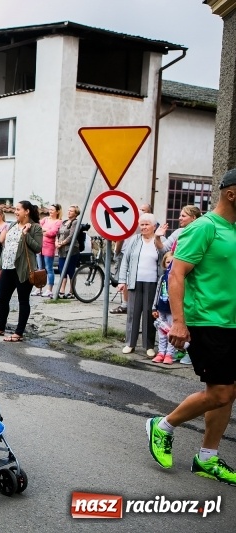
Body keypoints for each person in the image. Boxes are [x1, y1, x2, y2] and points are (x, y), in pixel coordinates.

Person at [146, 168, 236, 485]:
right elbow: (177, 274)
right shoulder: (204, 227)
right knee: (221, 391)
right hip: (206, 321)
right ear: (231, 194)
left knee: (227, 392)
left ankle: (207, 458)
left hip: (230, 322)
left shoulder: (232, 230)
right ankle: (163, 426)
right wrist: (179, 322)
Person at [0, 200, 43, 342]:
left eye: (18, 209)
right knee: (3, 299)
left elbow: (38, 248)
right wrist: (0, 267)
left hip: (23, 269)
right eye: (15, 209)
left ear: (26, 211)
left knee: (23, 300)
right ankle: (0, 328)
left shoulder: (35, 227)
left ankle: (19, 333)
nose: (15, 212)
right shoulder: (13, 225)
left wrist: (26, 234)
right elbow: (6, 248)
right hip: (7, 267)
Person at [117, 213, 163, 356]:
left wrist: (159, 238)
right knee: (133, 313)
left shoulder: (160, 240)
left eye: (146, 224)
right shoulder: (134, 240)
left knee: (150, 314)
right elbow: (125, 260)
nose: (143, 227)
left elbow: (166, 255)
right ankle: (130, 343)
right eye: (141, 224)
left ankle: (149, 346)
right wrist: (122, 280)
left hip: (153, 283)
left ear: (154, 226)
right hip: (135, 282)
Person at [151, 252, 177, 365]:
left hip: (172, 310)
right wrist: (154, 308)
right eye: (168, 262)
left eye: (173, 262)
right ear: (164, 264)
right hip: (161, 308)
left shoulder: (177, 278)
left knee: (171, 332)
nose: (170, 264)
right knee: (161, 332)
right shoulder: (162, 277)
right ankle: (161, 352)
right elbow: (157, 293)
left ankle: (169, 354)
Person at [55, 204, 81, 298]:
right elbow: (58, 233)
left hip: (71, 250)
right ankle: (62, 291)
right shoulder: (64, 222)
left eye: (71, 211)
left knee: (71, 271)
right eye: (68, 210)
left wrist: (62, 243)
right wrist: (56, 242)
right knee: (62, 270)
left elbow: (72, 236)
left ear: (76, 213)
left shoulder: (75, 222)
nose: (69, 212)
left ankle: (71, 291)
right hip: (61, 250)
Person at [37, 203, 62, 296]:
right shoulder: (45, 219)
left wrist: (44, 230)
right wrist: (46, 230)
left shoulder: (58, 222)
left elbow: (52, 233)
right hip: (40, 246)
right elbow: (37, 228)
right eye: (49, 209)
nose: (50, 211)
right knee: (40, 269)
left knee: (49, 268)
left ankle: (49, 290)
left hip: (49, 247)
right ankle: (39, 288)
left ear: (57, 211)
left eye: (52, 210)